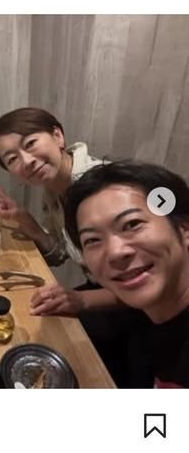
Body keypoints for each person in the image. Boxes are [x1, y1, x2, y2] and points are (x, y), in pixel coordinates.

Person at [0, 107, 119, 314]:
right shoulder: (53, 188)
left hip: (141, 309)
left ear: (58, 136)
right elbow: (59, 255)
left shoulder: (102, 189)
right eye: (12, 159)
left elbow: (151, 280)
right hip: (102, 291)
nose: (27, 161)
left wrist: (82, 300)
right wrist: (26, 220)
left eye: (30, 144)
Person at [64, 161, 189, 388]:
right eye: (92, 240)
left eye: (132, 224)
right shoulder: (146, 322)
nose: (115, 252)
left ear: (184, 228)